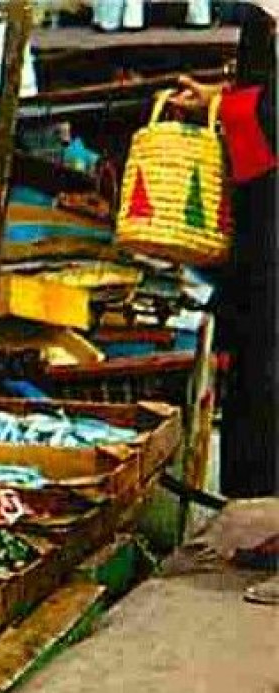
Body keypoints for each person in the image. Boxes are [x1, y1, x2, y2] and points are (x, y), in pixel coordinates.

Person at [171, 4, 276, 499]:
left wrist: (231, 108)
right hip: (260, 232)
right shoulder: (260, 28)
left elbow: (268, 116)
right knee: (254, 371)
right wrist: (220, 100)